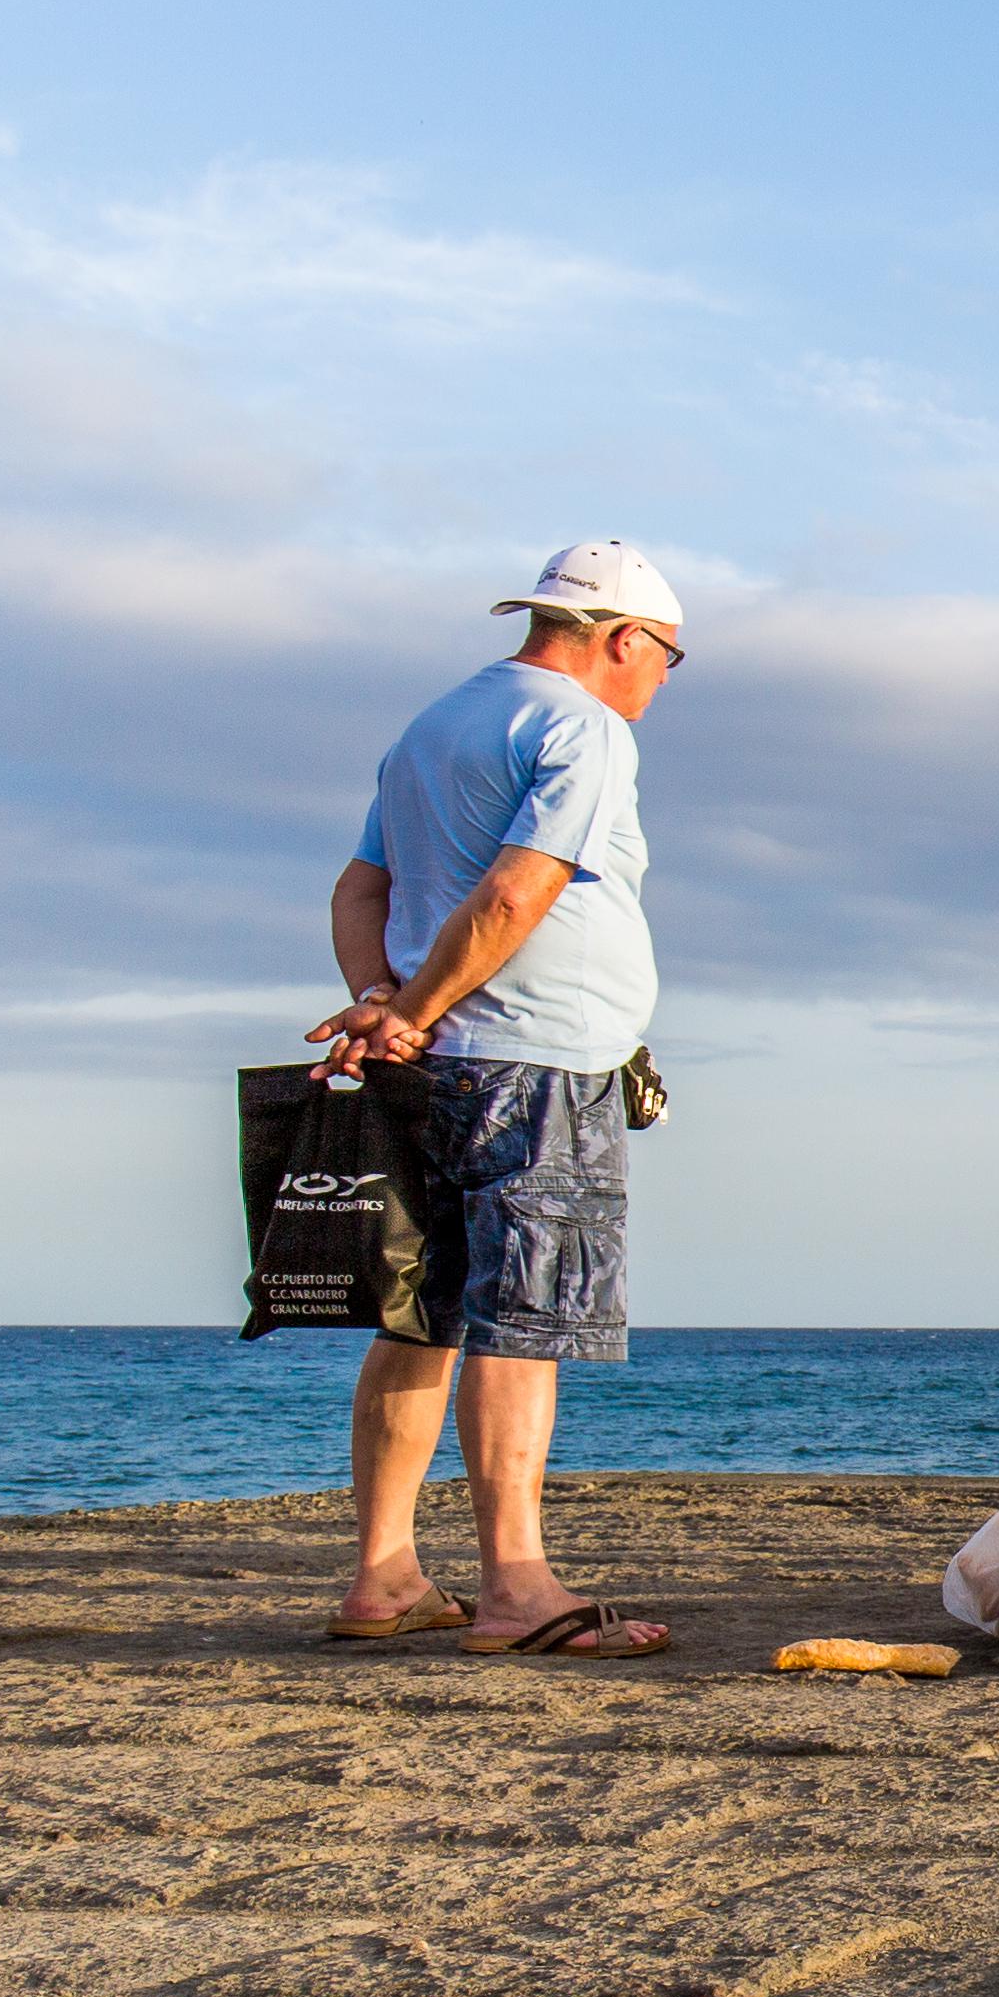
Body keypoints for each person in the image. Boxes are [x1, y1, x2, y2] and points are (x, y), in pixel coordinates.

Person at [304, 541, 686, 1659]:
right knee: (525, 1318)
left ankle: (384, 1578)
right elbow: (521, 886)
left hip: (429, 1063)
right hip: (537, 1057)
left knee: (423, 1310)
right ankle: (516, 1587)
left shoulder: (429, 728)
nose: (661, 683)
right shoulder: (583, 727)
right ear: (624, 640)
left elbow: (360, 885)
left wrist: (383, 1003)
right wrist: (410, 1006)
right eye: (667, 659)